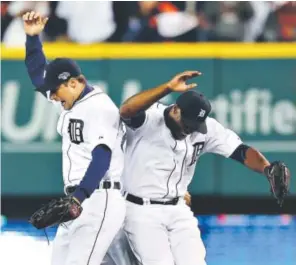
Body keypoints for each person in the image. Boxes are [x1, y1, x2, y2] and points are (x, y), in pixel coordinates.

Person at [119, 71, 290, 265]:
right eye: (188, 123)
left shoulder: (205, 128)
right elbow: (125, 110)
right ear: (175, 110)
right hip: (142, 210)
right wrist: (167, 87)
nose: (190, 129)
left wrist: (267, 169)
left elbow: (241, 151)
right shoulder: (149, 119)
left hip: (178, 209)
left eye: (195, 126)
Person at [23, 11, 126, 265]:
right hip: (77, 201)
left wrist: (78, 198)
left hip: (97, 199)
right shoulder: (70, 101)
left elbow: (102, 157)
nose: (53, 97)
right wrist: (33, 38)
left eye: (55, 91)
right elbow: (38, 76)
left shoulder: (100, 108)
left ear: (75, 82)